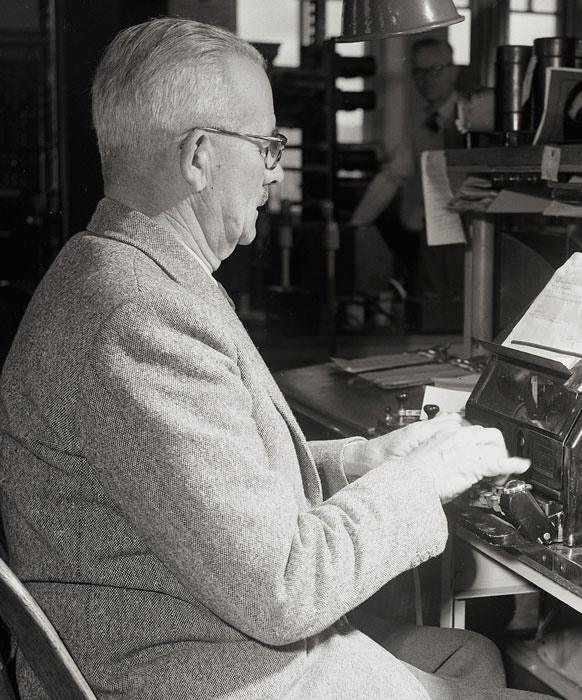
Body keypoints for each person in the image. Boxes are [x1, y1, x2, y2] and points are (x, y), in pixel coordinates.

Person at [0, 18, 545, 700]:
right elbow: (285, 587)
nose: (274, 168)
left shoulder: (127, 272)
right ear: (199, 155)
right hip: (187, 673)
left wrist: (369, 462)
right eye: (264, 145)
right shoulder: (138, 319)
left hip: (186, 626)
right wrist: (422, 481)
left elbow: (201, 481)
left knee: (468, 657)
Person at [349, 36, 465, 306]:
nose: (426, 79)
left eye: (434, 70)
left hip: (471, 236)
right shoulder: (418, 124)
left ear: (453, 70)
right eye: (419, 72)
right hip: (431, 236)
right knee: (436, 309)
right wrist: (356, 225)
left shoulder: (476, 116)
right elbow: (391, 176)